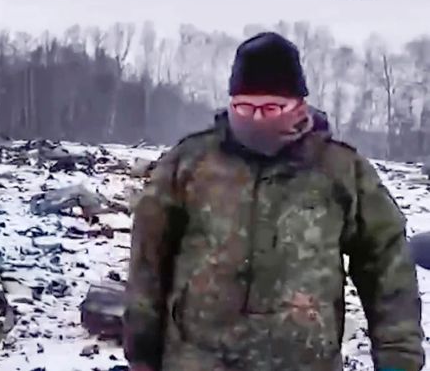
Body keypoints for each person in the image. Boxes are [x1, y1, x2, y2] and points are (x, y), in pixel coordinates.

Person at [123, 32, 424, 371]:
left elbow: (387, 266)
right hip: (197, 360)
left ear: (299, 106)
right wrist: (142, 350)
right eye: (244, 108)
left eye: (270, 108)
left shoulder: (340, 171)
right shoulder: (189, 164)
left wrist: (399, 359)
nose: (255, 119)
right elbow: (149, 258)